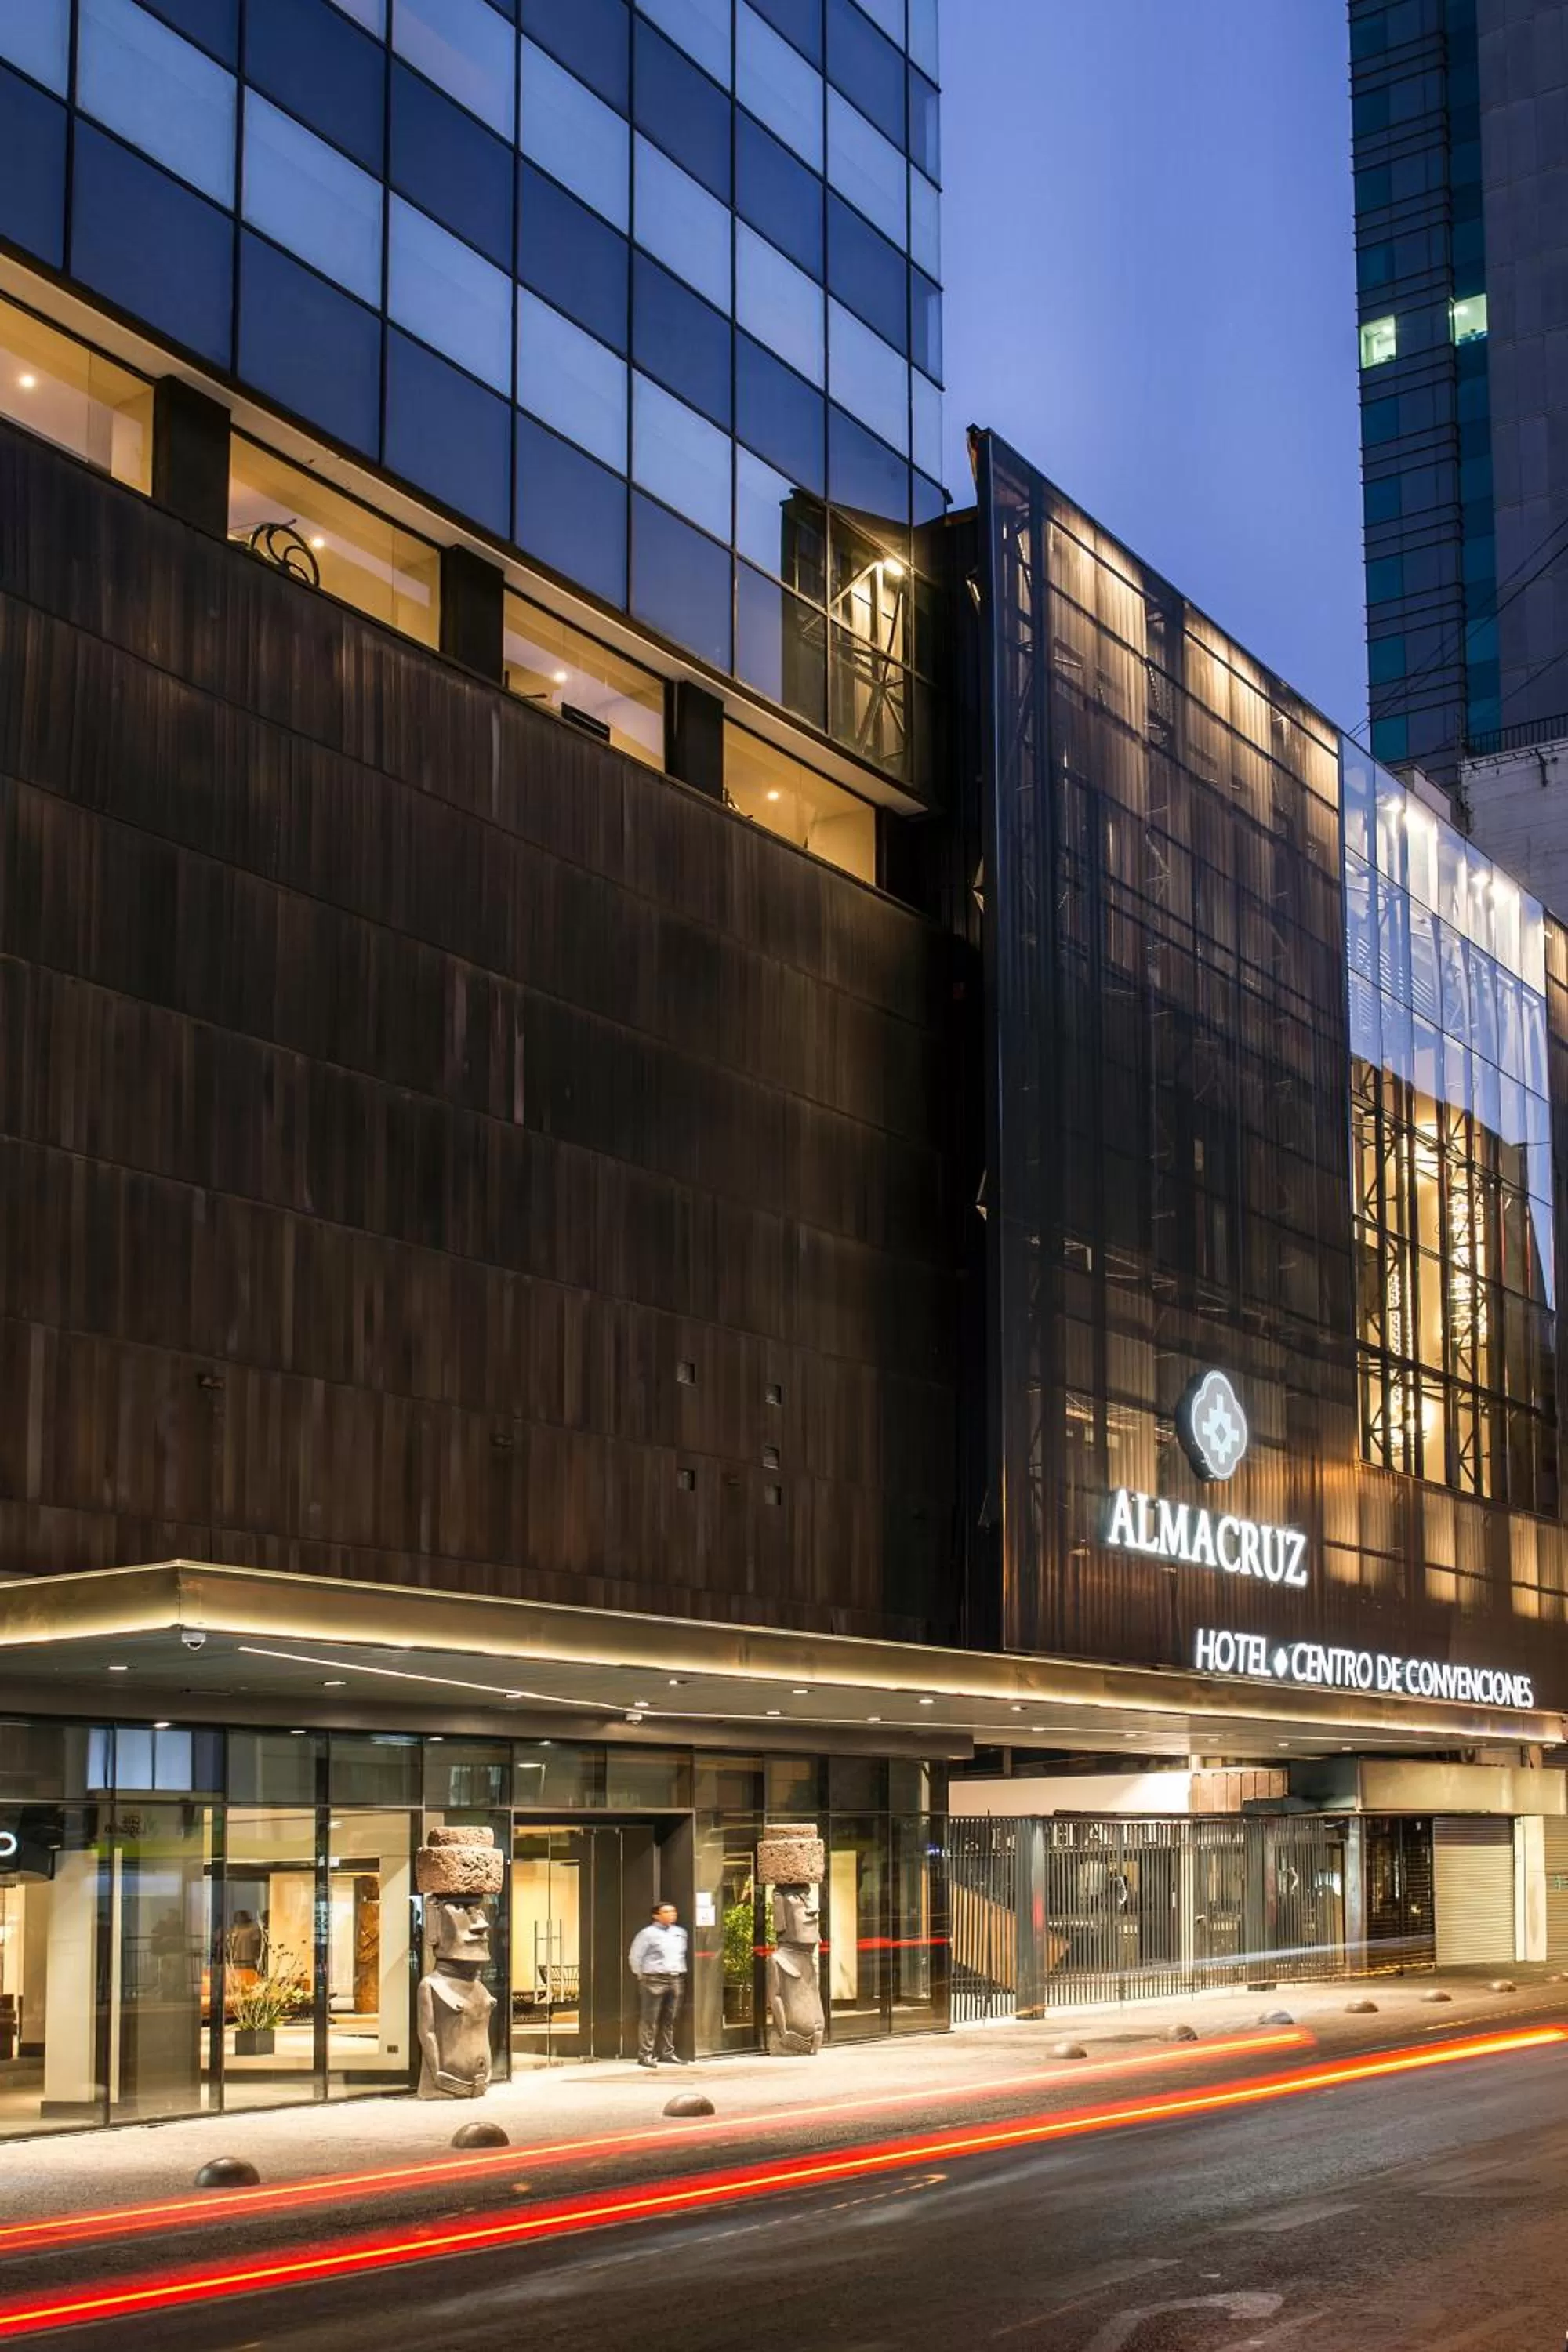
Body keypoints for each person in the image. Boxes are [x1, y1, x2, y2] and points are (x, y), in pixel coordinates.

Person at [628, 1900, 688, 2069]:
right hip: (654, 1979)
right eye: (666, 1912)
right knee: (650, 2019)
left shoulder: (680, 1933)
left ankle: (667, 2053)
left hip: (675, 1978)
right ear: (656, 1915)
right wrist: (641, 1975)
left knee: (670, 2018)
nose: (672, 1914)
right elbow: (635, 1956)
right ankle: (645, 2055)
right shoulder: (647, 1934)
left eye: (673, 1911)